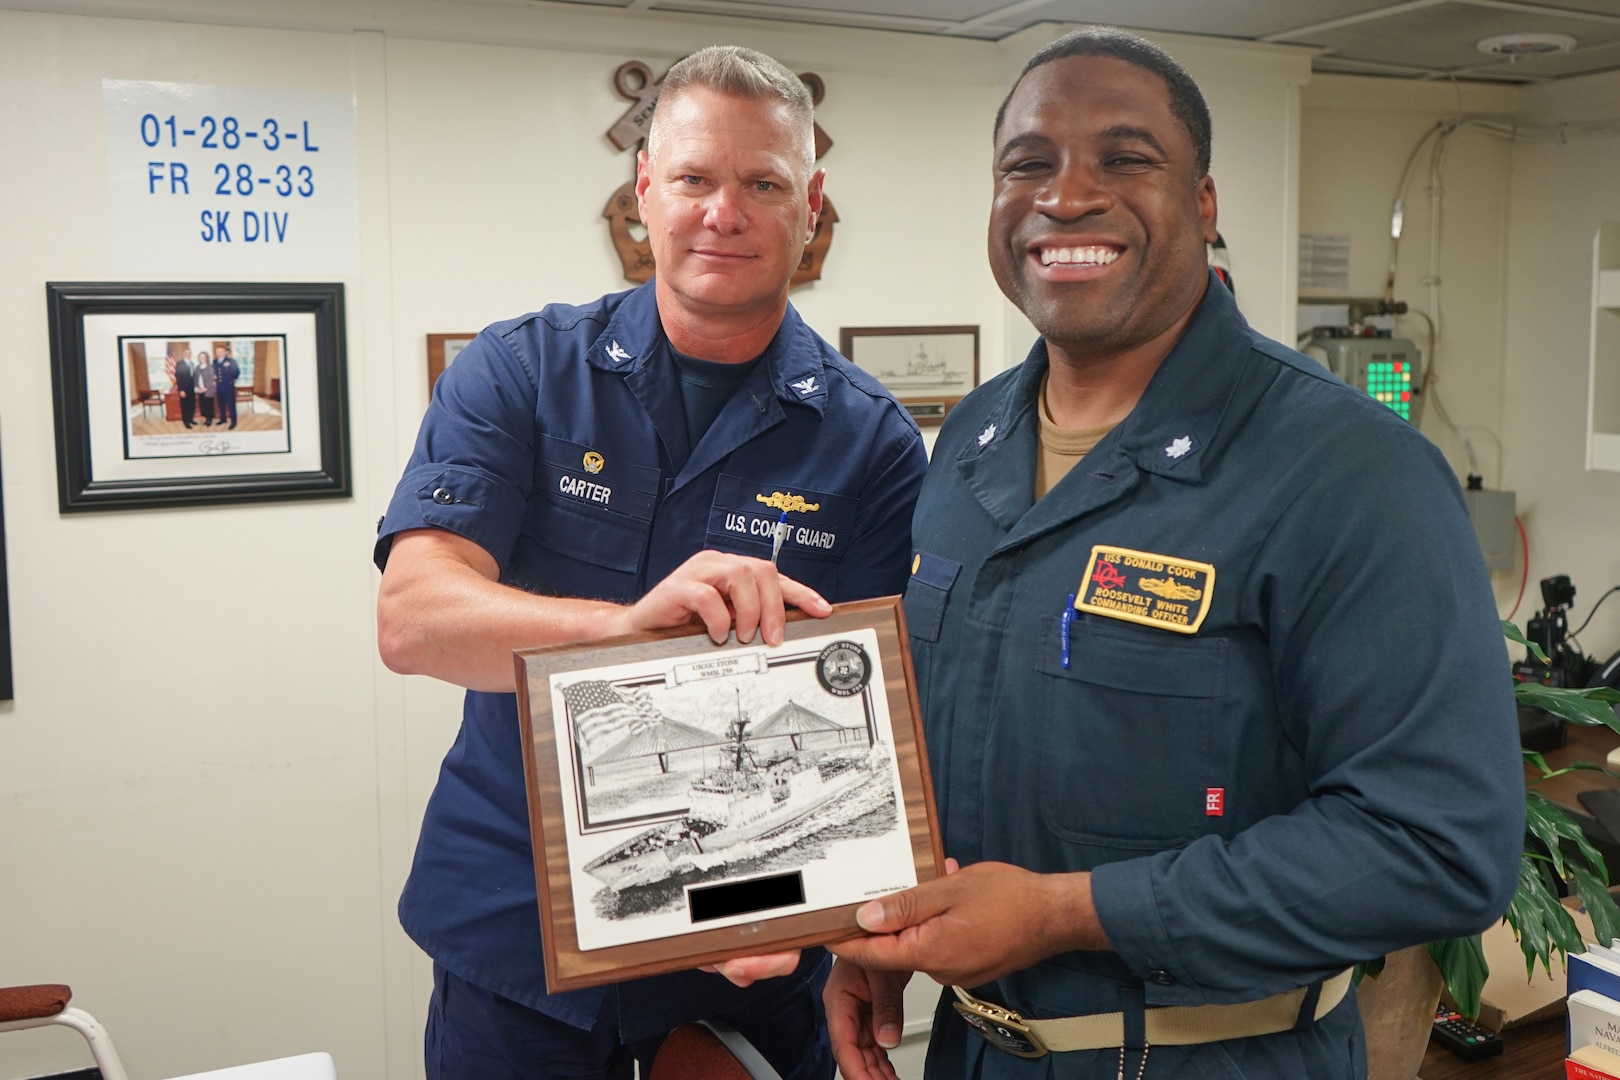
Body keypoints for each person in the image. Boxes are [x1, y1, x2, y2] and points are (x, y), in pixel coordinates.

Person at [824, 28, 1523, 1080]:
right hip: (972, 1055)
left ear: (1202, 204)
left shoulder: (1347, 470)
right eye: (1028, 164)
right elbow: (960, 746)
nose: (1066, 197)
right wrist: (889, 930)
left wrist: (1063, 915)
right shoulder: (970, 441)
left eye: (1124, 158)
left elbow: (1436, 848)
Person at [373, 45, 927, 1080]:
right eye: (695, 179)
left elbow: (876, 729)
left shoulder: (872, 443)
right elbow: (413, 619)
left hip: (746, 957)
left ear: (811, 206)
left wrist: (824, 919)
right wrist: (618, 632)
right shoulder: (522, 373)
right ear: (644, 192)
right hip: (519, 953)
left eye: (763, 184)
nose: (726, 212)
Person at [214, 345, 240, 429]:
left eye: (221, 351)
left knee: (231, 405)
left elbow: (237, 372)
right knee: (221, 404)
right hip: (219, 387)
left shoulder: (231, 361)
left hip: (228, 386)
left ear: (225, 352)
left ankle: (234, 422)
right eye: (217, 352)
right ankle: (223, 419)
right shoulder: (214, 361)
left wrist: (231, 379)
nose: (219, 353)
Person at [172, 347, 196, 428]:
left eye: (190, 353)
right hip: (184, 389)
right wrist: (181, 390)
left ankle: (190, 419)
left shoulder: (192, 363)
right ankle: (186, 422)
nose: (188, 354)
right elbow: (178, 378)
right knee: (185, 406)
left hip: (192, 389)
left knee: (191, 405)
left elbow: (192, 377)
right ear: (183, 354)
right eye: (187, 353)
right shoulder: (179, 364)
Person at [195, 346, 217, 426]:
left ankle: (209, 419)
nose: (202, 358)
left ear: (207, 358)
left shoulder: (210, 367)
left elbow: (211, 379)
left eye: (204, 357)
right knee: (203, 405)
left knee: (209, 405)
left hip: (209, 389)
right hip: (200, 390)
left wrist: (205, 388)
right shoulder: (197, 367)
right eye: (201, 357)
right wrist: (196, 387)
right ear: (199, 358)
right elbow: (195, 378)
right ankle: (206, 418)